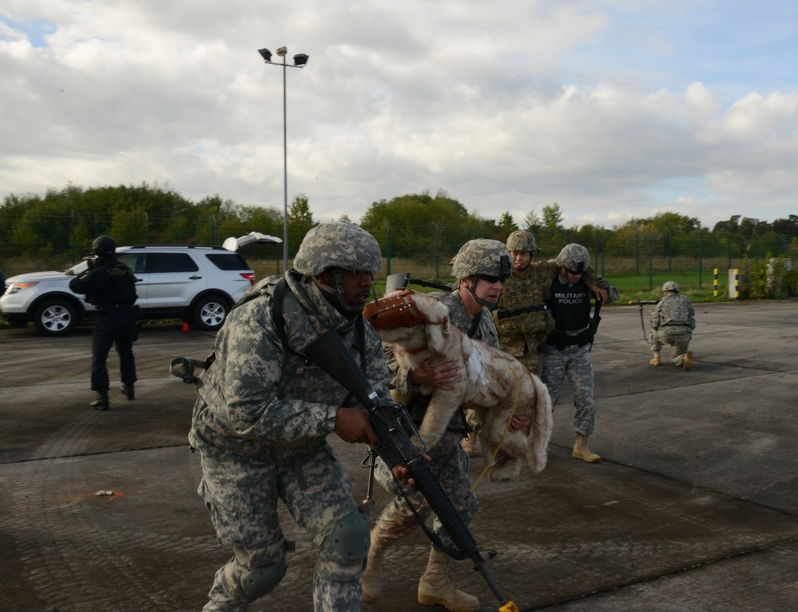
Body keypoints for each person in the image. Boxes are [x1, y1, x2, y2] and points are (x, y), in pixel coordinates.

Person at [188, 221, 413, 612]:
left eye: (369, 274)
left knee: (348, 537)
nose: (366, 283)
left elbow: (375, 404)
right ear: (326, 275)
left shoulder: (358, 329)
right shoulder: (261, 319)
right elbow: (246, 411)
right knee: (261, 570)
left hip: (300, 449)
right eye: (357, 273)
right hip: (236, 451)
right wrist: (332, 419)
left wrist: (404, 455)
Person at [364, 238, 529, 612]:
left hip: (449, 434)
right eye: (489, 278)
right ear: (466, 280)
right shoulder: (430, 314)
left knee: (460, 507)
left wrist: (506, 414)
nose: (498, 286)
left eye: (501, 278)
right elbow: (377, 364)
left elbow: (488, 378)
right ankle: (371, 556)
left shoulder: (486, 322)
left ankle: (434, 582)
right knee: (417, 505)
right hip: (406, 432)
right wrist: (416, 374)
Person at [540, 243, 616, 464]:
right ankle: (539, 444)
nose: (576, 276)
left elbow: (612, 296)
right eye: (573, 272)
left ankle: (581, 445)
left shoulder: (588, 282)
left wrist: (602, 288)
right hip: (553, 349)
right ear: (563, 268)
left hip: (580, 350)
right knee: (547, 401)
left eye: (580, 272)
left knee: (586, 399)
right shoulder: (548, 283)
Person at [496, 230, 609, 375]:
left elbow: (573, 263)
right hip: (504, 351)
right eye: (514, 253)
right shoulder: (497, 276)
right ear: (508, 253)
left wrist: (593, 282)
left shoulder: (542, 271)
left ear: (531, 254)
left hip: (532, 352)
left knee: (533, 394)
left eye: (523, 254)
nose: (518, 258)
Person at [68, 235, 138, 410]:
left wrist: (88, 269)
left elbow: (75, 285)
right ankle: (129, 388)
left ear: (97, 251)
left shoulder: (99, 272)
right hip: (128, 316)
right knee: (126, 352)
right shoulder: (124, 269)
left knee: (99, 358)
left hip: (108, 317)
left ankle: (102, 396)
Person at [649, 280, 696, 370]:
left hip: (666, 333)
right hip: (683, 333)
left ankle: (656, 358)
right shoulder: (686, 300)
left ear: (665, 291)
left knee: (653, 332)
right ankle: (684, 358)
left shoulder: (662, 303)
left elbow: (655, 324)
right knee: (676, 358)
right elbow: (691, 318)